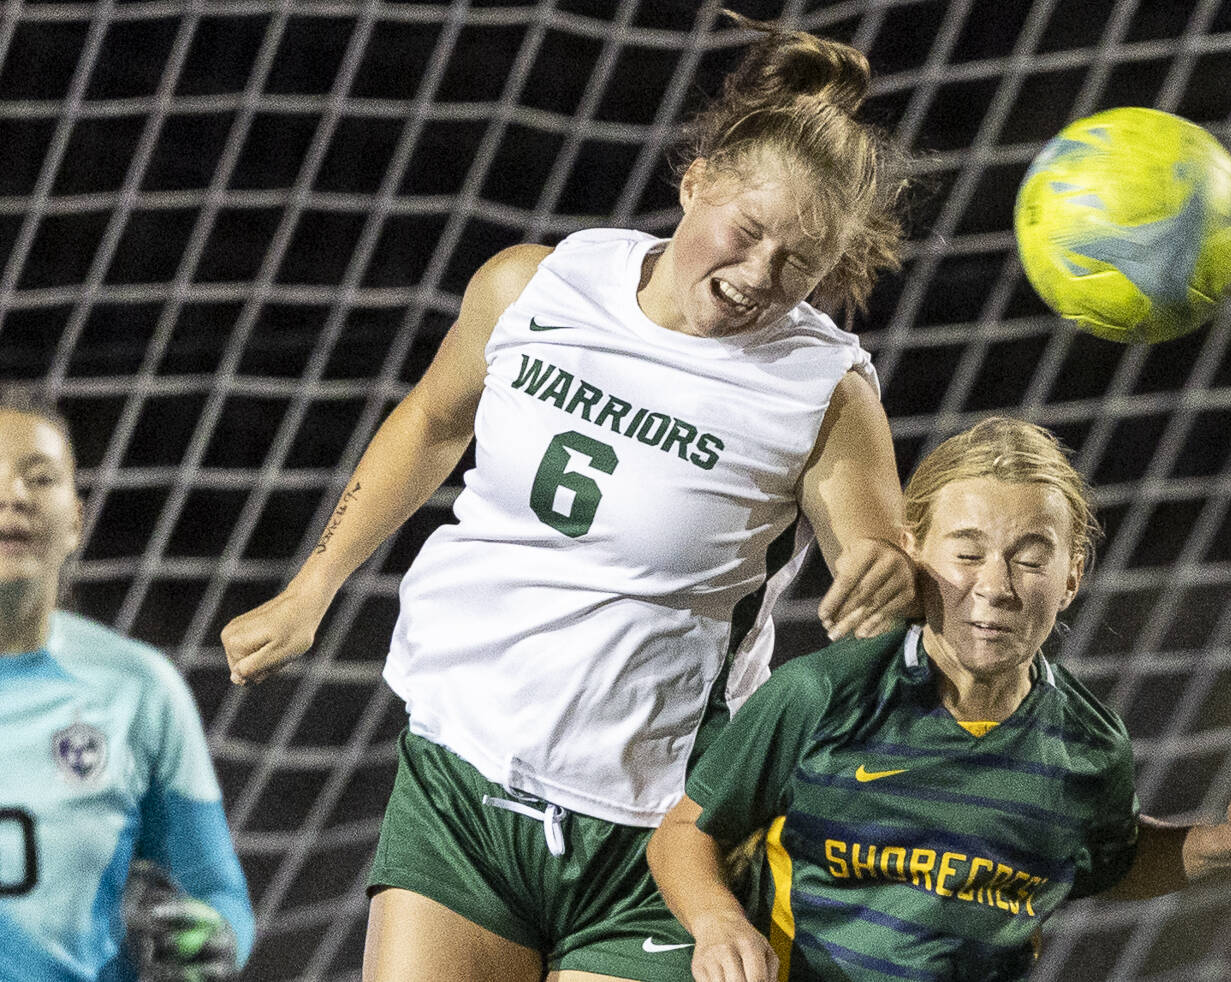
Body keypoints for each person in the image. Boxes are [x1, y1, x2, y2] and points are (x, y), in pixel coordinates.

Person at [221, 13, 917, 982]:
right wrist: (313, 586)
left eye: (796, 263)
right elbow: (430, 421)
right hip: (464, 776)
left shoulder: (823, 390)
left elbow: (881, 601)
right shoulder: (535, 286)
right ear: (696, 180)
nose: (758, 275)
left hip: (666, 831)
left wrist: (893, 584)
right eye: (747, 232)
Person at [646, 416, 1231, 982]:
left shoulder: (1089, 744)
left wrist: (1221, 843)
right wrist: (719, 926)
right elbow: (683, 835)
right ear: (912, 550)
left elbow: (1106, 859)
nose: (994, 586)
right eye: (966, 553)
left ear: (1071, 577)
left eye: (1030, 558)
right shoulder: (823, 694)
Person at [0, 386, 254, 982]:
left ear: (76, 521)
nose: (12, 497)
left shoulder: (139, 690)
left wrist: (209, 940)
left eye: (39, 478)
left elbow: (220, 895)